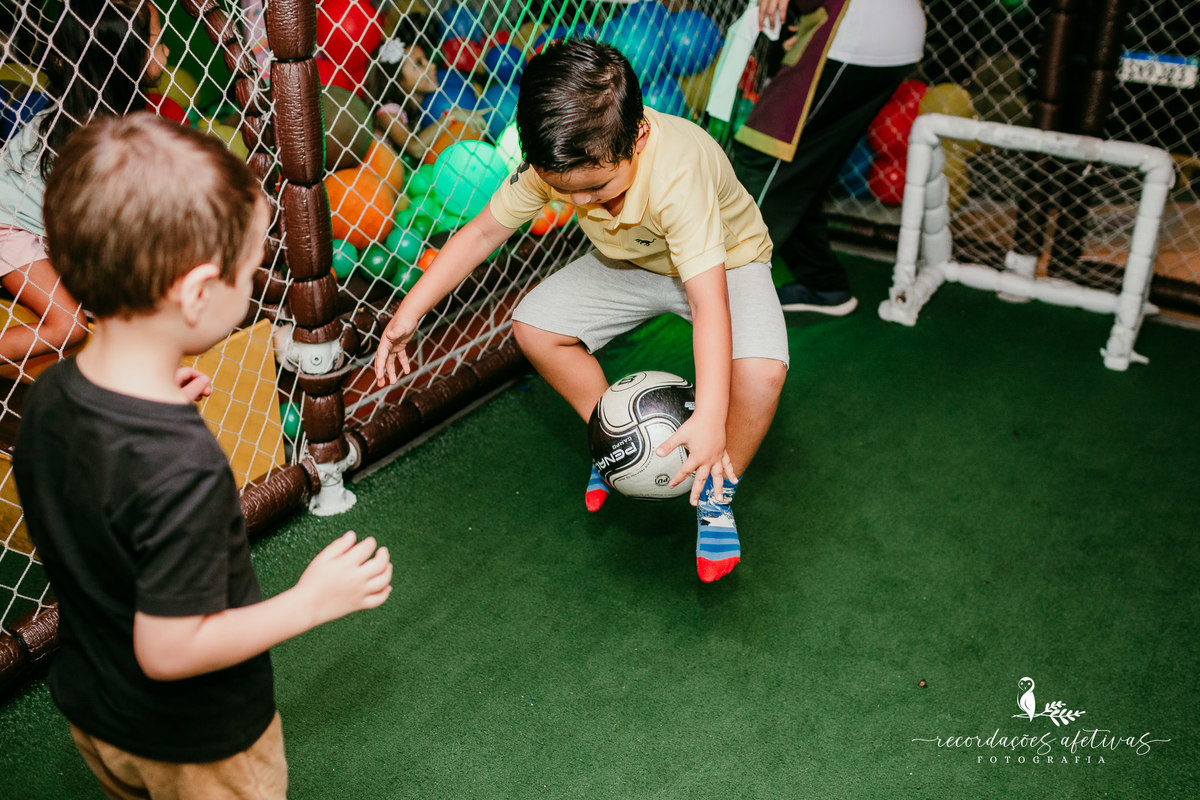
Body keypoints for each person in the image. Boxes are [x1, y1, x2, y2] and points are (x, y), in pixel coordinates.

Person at [13, 113, 393, 798]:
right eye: (248, 273)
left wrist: (153, 403)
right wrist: (310, 602)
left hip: (96, 709)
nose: (253, 287)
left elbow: (98, 509)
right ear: (194, 294)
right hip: (197, 743)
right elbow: (170, 650)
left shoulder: (50, 399)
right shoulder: (178, 466)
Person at [375, 39, 788, 583]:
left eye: (598, 188)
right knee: (536, 326)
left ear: (637, 136)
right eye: (565, 193)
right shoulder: (560, 163)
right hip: (633, 263)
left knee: (760, 374)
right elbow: (481, 233)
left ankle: (715, 489)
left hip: (726, 264)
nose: (583, 205)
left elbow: (708, 304)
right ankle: (618, 441)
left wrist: (710, 416)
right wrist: (410, 312)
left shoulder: (677, 172)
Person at [0, 0, 170, 368]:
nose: (167, 50)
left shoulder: (103, 114)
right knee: (69, 327)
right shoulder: (86, 138)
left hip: (38, 223)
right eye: (156, 41)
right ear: (126, 61)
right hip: (8, 227)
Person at [732, 0, 926, 315]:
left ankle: (722, 291)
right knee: (805, 165)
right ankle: (823, 283)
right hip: (876, 30)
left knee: (764, 154)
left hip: (857, 31)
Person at [367, 12, 490, 160]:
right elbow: (416, 148)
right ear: (398, 80)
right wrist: (451, 115)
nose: (431, 65)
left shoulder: (417, 110)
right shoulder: (388, 112)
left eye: (426, 59)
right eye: (419, 64)